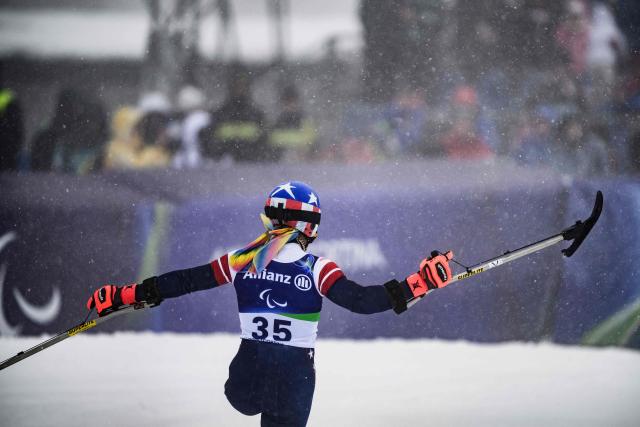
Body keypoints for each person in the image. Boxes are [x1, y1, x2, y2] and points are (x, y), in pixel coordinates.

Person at [86, 181, 455, 427]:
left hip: (248, 376)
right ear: (310, 227)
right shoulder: (316, 266)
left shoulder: (245, 258)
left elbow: (186, 280)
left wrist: (127, 295)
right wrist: (417, 284)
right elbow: (361, 301)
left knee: (240, 399)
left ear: (275, 219)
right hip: (296, 378)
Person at [199, 64, 269, 162]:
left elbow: (265, 144)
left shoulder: (257, 115)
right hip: (224, 169)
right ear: (231, 88)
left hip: (251, 168)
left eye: (243, 86)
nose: (240, 90)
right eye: (237, 86)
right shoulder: (220, 114)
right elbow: (209, 144)